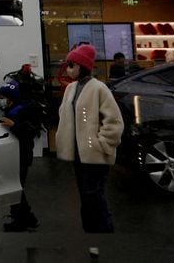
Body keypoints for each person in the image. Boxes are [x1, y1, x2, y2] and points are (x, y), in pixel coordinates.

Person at [55, 44, 124, 233]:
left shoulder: (99, 88)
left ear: (82, 66)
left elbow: (114, 121)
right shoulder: (71, 88)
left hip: (95, 154)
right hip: (78, 154)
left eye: (71, 65)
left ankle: (103, 234)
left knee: (94, 195)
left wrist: (102, 144)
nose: (68, 69)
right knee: (86, 196)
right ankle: (91, 234)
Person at [0, 78, 41, 232]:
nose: (1, 100)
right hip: (12, 153)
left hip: (21, 154)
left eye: (3, 97)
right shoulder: (12, 109)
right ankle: (27, 218)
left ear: (12, 97)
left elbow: (30, 132)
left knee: (14, 188)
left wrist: (14, 125)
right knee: (15, 187)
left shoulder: (26, 109)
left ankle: (21, 221)